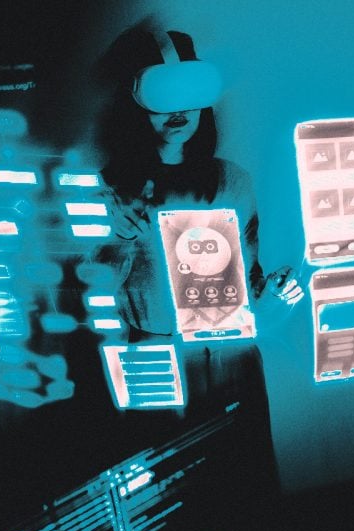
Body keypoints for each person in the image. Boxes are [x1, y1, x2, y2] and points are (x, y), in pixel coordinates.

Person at [88, 21, 300, 446]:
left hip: (233, 357)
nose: (179, 111)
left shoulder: (232, 182)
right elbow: (92, 295)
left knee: (242, 465)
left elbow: (248, 281)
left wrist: (274, 293)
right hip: (155, 359)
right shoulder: (107, 192)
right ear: (135, 101)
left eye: (190, 94)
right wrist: (118, 235)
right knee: (165, 472)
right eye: (162, 97)